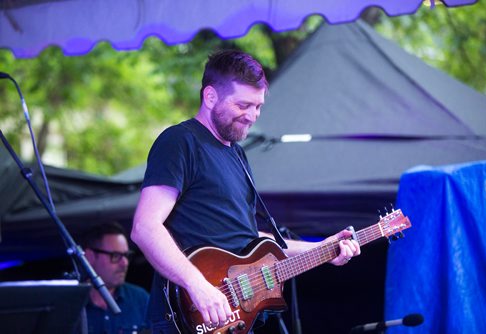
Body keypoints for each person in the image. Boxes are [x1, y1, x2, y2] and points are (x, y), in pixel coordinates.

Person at [131, 50, 361, 333]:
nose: (252, 116)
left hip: (235, 318)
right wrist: (198, 285)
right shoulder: (180, 142)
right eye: (243, 105)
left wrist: (323, 249)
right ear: (211, 96)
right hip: (189, 316)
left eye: (258, 107)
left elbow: (249, 239)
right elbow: (145, 227)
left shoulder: (238, 155)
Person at [81, 222, 150, 334]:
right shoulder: (71, 306)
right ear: (90, 256)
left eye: (126, 255)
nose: (125, 263)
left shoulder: (140, 299)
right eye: (116, 256)